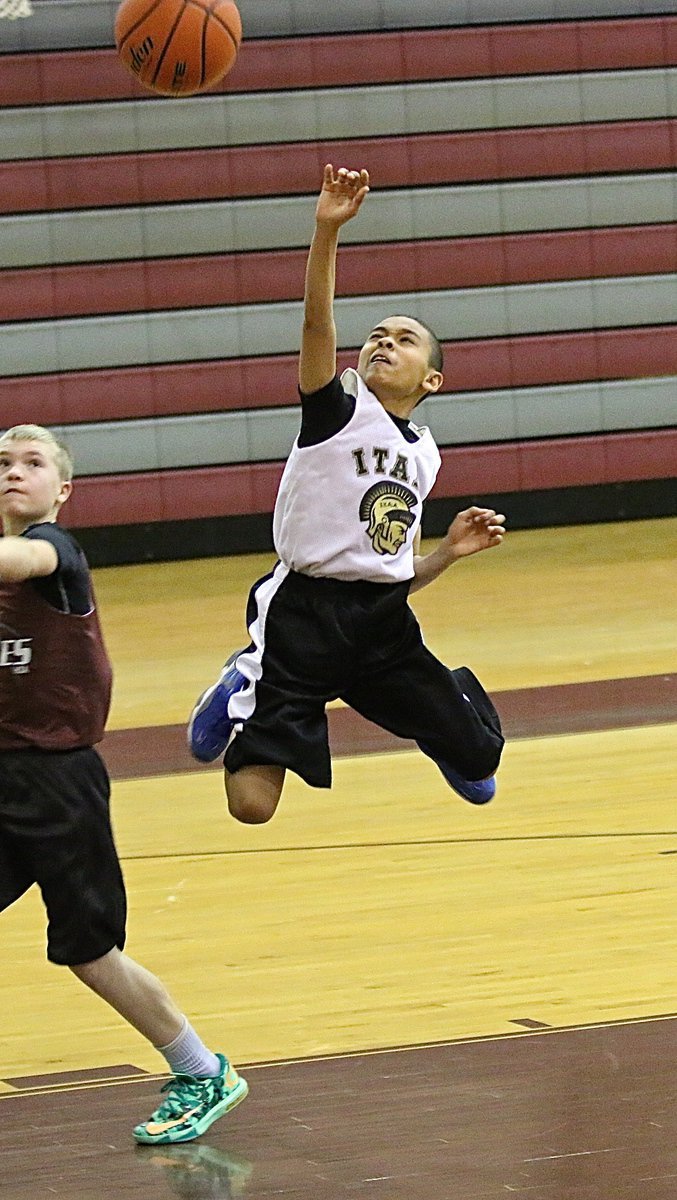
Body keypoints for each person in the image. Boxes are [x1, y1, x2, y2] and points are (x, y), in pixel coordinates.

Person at [188, 164, 506, 823]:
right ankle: (241, 675)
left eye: (405, 338)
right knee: (251, 807)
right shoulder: (335, 409)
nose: (385, 341)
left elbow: (384, 568)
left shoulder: (423, 452)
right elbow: (316, 329)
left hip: (382, 630)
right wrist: (326, 231)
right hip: (302, 623)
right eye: (377, 336)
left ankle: (446, 724)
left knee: (481, 762)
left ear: (434, 379)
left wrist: (445, 553)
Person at [0, 424, 247, 1145]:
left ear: (63, 489)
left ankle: (202, 1070)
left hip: (57, 785)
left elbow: (21, 557)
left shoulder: (56, 554)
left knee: (88, 950)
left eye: (34, 462)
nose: (16, 471)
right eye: (4, 462)